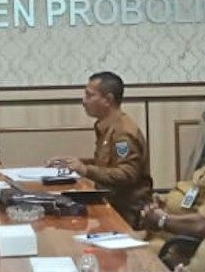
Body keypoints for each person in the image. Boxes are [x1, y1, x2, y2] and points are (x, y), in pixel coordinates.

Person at [47, 71, 152, 228]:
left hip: (125, 213)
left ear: (108, 100)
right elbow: (107, 164)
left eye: (90, 95)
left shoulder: (123, 134)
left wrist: (85, 170)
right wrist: (74, 162)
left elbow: (127, 174)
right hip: (109, 202)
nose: (84, 101)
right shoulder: (106, 126)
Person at [140, 84, 205, 246]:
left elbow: (204, 225)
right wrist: (166, 201)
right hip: (166, 233)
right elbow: (195, 190)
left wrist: (162, 219)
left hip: (181, 245)